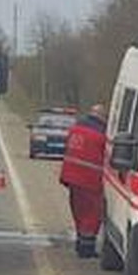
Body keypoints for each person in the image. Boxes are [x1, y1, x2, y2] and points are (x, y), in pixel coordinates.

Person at [59, 104, 109, 259]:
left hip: (71, 176)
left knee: (78, 211)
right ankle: (86, 248)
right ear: (102, 117)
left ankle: (81, 243)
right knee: (92, 213)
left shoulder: (76, 128)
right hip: (90, 179)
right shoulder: (101, 135)